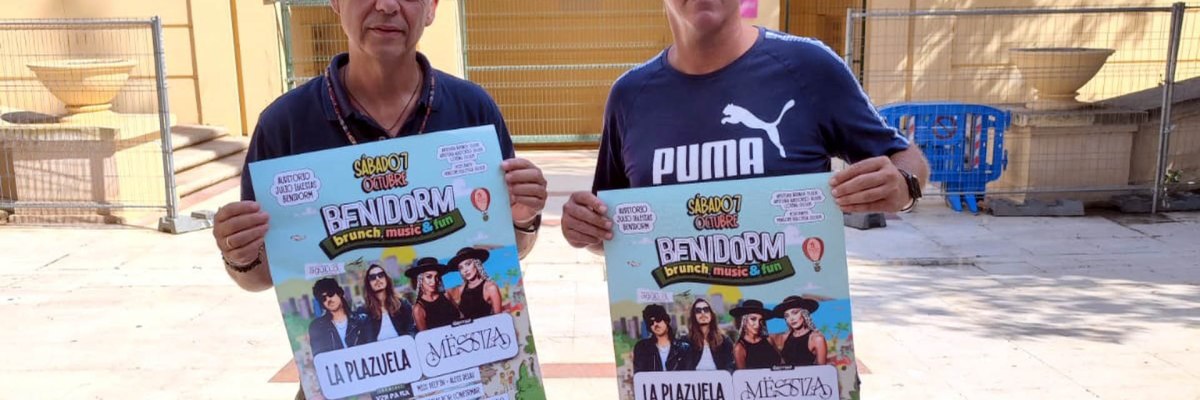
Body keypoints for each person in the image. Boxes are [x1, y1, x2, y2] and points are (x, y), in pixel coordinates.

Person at [213, 0, 547, 293]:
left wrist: (523, 219)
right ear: (336, 2)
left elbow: (514, 246)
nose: (387, 5)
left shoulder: (473, 109)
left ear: (431, 8)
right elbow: (260, 278)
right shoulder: (283, 124)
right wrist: (239, 255)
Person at [559, 0, 930, 252]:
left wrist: (903, 185)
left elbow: (905, 157)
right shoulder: (629, 96)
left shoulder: (810, 67)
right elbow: (611, 230)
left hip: (794, 339)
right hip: (679, 340)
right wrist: (584, 228)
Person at [308, 278, 370, 355]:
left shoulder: (361, 320)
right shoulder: (317, 327)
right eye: (323, 298)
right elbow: (319, 356)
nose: (328, 300)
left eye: (330, 294)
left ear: (339, 293)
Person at [360, 263, 416, 341]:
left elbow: (412, 330)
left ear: (386, 279)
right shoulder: (364, 312)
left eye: (381, 275)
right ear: (368, 284)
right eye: (372, 277)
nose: (377, 279)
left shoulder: (402, 304)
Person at [632, 304, 692, 372]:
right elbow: (640, 374)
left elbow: (688, 374)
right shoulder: (642, 348)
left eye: (658, 319)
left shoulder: (683, 347)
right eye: (651, 322)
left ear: (666, 320)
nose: (655, 324)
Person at [446, 247, 502, 319]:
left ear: (477, 264)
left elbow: (499, 319)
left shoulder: (490, 287)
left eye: (468, 264)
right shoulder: (461, 289)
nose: (465, 270)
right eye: (461, 268)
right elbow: (446, 295)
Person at [405, 257, 460, 331]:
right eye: (429, 277)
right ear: (419, 279)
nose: (434, 281)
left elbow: (461, 317)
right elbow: (425, 336)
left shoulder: (446, 295)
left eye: (436, 276)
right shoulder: (418, 309)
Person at [772, 295, 827, 366]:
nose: (791, 318)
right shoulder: (784, 337)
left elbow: (822, 369)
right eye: (787, 316)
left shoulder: (817, 339)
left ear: (804, 314)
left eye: (795, 313)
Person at [684, 298, 734, 371]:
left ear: (711, 314)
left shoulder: (724, 341)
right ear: (694, 316)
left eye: (706, 309)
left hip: (719, 378)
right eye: (698, 311)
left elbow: (730, 366)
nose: (703, 313)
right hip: (694, 378)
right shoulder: (686, 342)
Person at [730, 299, 780, 370]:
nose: (757, 324)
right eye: (753, 319)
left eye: (760, 320)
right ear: (744, 320)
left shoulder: (769, 340)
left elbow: (782, 363)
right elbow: (742, 375)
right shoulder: (739, 348)